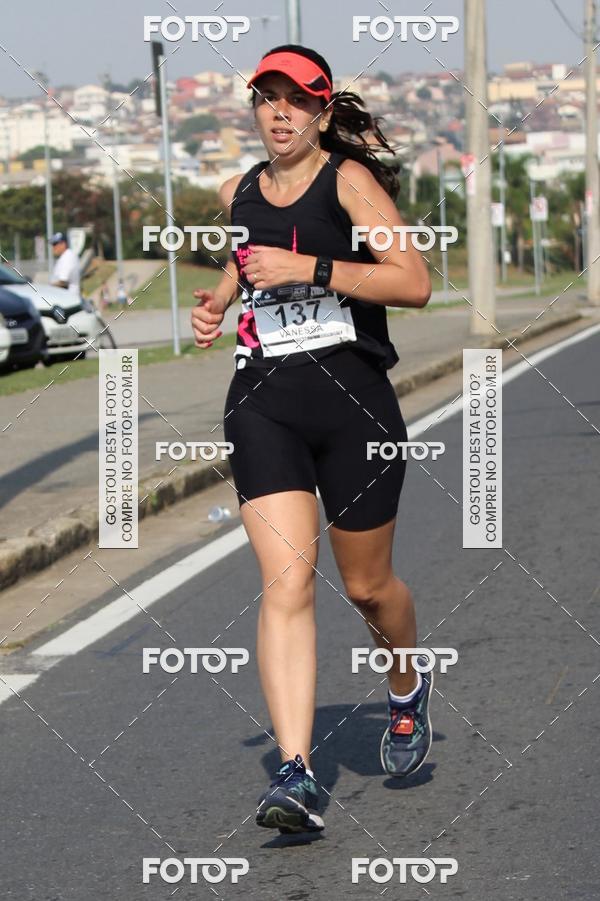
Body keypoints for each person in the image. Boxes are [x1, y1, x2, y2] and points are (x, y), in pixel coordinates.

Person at [191, 45, 433, 835]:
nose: (280, 112)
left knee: (367, 587)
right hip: (263, 400)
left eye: (297, 99)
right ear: (255, 107)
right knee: (288, 582)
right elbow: (245, 261)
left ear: (324, 111)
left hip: (353, 402)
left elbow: (413, 282)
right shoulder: (240, 189)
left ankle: (404, 685)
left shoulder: (349, 182)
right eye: (267, 98)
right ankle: (295, 772)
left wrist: (313, 266)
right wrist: (218, 302)